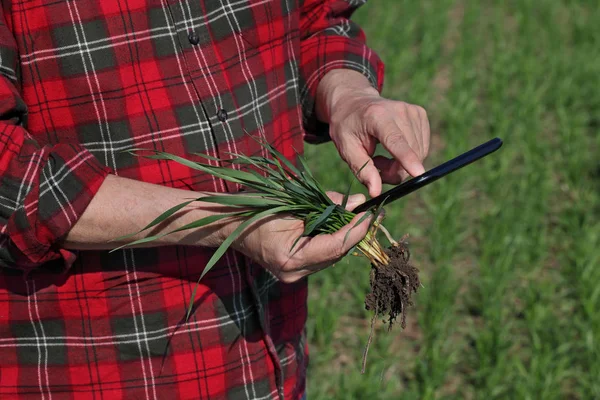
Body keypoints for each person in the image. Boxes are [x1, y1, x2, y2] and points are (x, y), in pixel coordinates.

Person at [0, 0, 429, 398]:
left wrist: (347, 91)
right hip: (112, 367)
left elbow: (318, 19)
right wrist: (229, 221)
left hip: (275, 349)